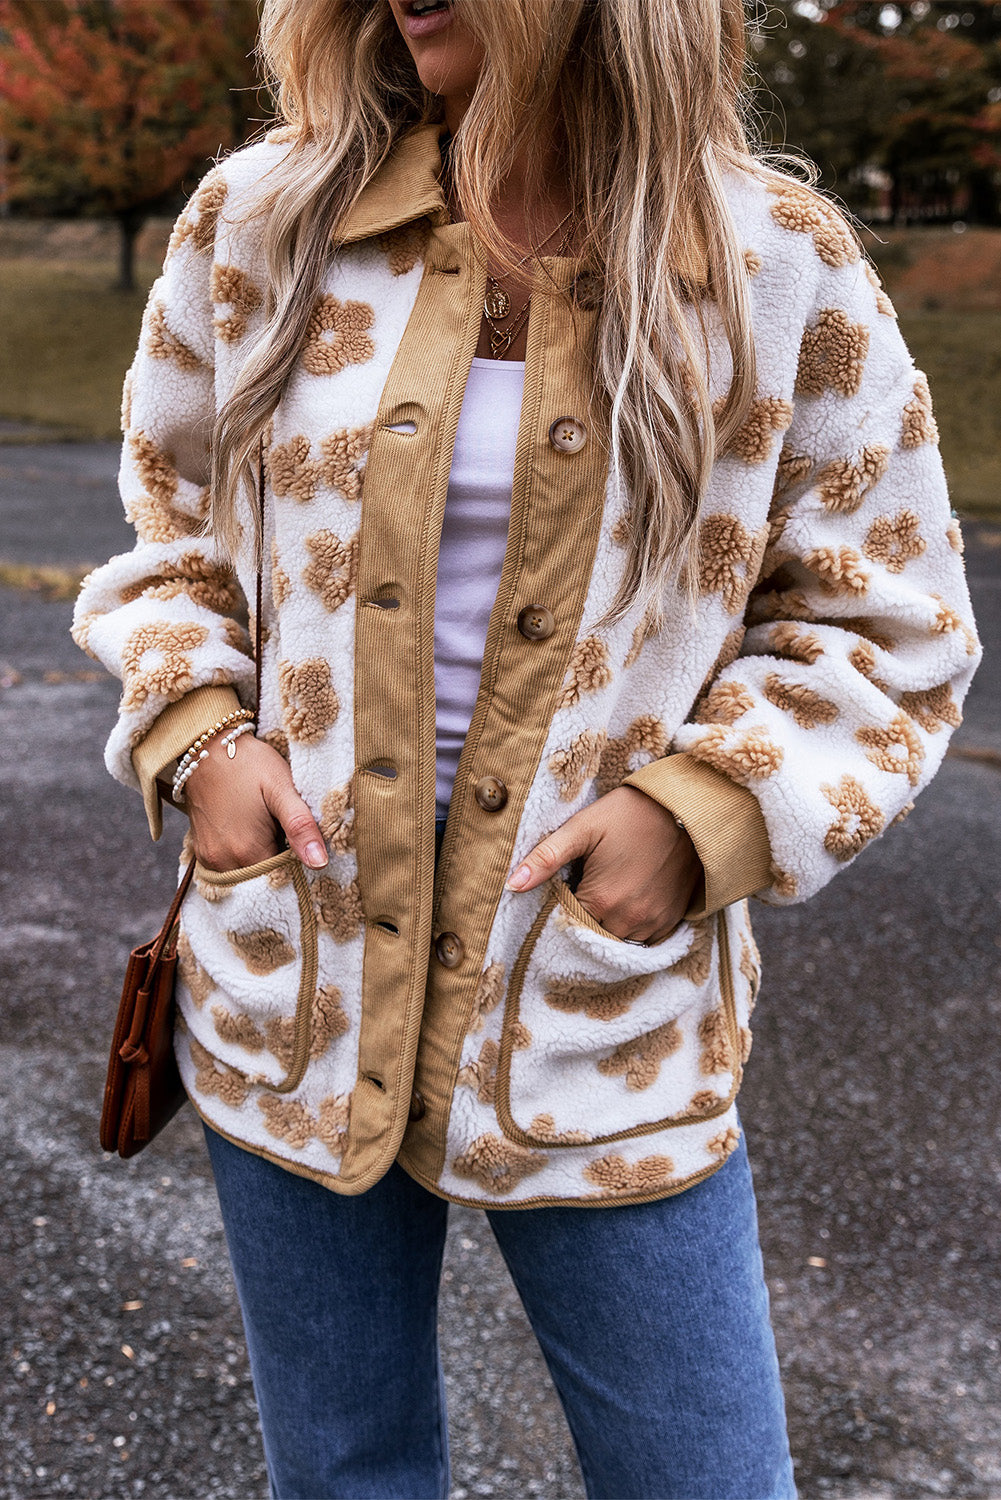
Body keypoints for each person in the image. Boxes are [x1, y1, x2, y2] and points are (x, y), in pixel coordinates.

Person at [72, 1, 980, 1495]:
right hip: (293, 979)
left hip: (599, 1021)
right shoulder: (263, 225)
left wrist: (699, 815)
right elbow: (171, 534)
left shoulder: (774, 266)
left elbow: (889, 621)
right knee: (345, 1474)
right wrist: (202, 738)